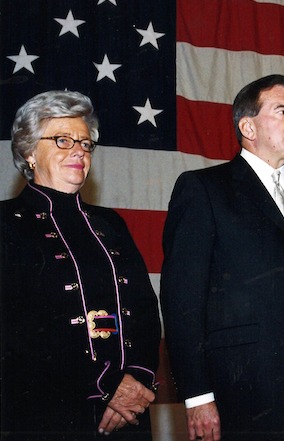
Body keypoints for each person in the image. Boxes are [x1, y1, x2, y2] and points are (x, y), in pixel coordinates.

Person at [160, 74, 284, 441]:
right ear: (247, 126)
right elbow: (182, 301)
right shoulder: (204, 189)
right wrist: (197, 396)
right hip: (245, 394)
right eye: (281, 111)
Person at [0, 90, 161, 440]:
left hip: (128, 417)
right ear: (29, 151)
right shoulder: (7, 224)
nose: (78, 150)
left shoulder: (111, 224)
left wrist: (136, 382)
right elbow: (16, 333)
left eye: (85, 144)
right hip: (47, 415)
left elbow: (145, 311)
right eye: (62, 140)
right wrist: (105, 387)